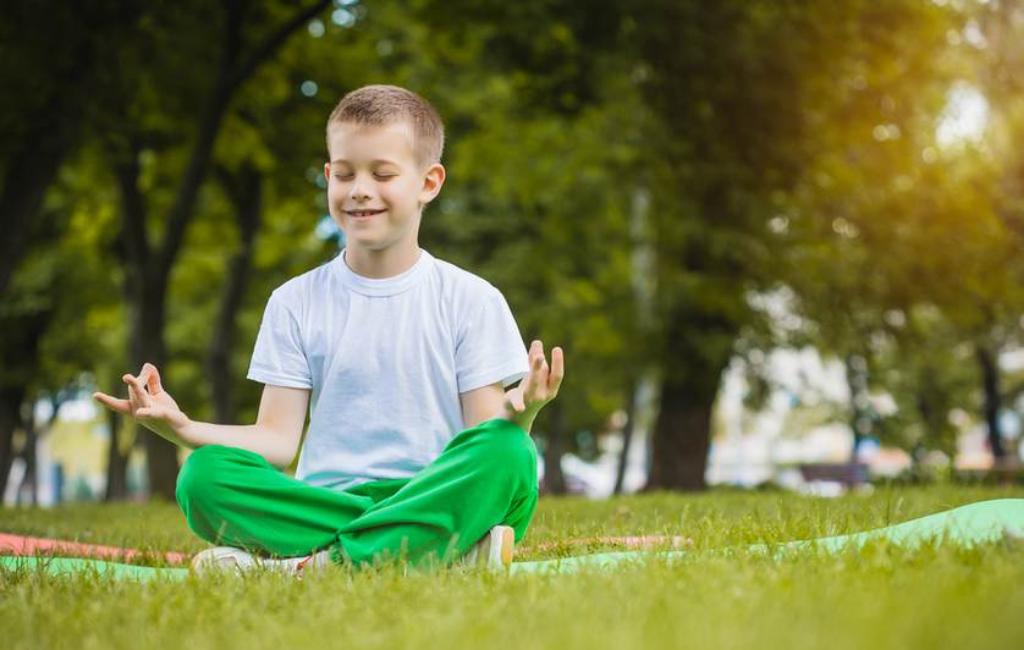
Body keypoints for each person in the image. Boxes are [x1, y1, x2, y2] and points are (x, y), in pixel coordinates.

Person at [94, 84, 564, 575]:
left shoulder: (472, 299)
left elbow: (483, 441)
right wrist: (183, 428)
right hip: (326, 502)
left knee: (510, 451)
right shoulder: (294, 302)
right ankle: (431, 551)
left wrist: (525, 413)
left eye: (382, 174)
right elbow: (277, 442)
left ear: (429, 182)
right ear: (328, 177)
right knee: (203, 476)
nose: (360, 189)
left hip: (436, 491)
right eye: (344, 174)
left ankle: (314, 566)